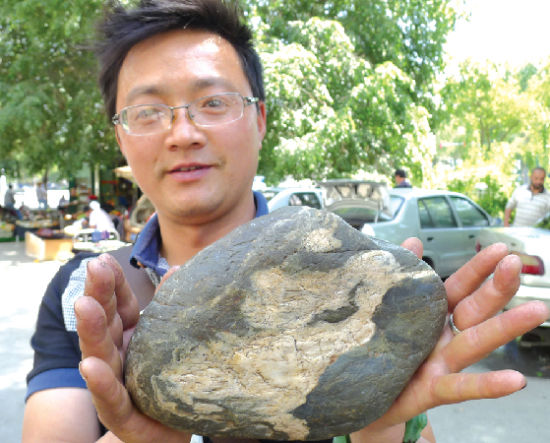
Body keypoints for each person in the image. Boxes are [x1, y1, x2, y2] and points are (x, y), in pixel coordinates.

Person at [22, 1, 549, 442]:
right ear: (120, 135)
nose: (182, 133)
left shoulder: (345, 277)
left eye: (213, 102)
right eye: (147, 111)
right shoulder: (86, 297)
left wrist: (378, 429)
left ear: (260, 118)